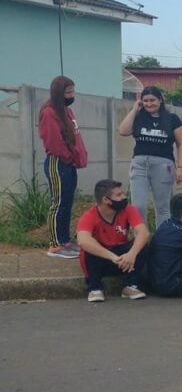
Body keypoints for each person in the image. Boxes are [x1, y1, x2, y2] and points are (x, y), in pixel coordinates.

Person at [117, 86, 182, 227]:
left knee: (162, 207)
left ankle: (162, 240)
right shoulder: (138, 117)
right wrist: (134, 109)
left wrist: (181, 167)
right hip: (140, 164)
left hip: (164, 165)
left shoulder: (172, 118)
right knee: (138, 206)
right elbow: (123, 131)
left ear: (160, 100)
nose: (149, 104)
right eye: (146, 100)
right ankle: (141, 241)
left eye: (152, 100)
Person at [39, 75, 88, 259]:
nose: (71, 95)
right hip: (58, 162)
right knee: (58, 203)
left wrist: (77, 158)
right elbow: (53, 142)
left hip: (69, 164)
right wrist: (68, 157)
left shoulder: (67, 112)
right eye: (68, 92)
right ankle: (54, 245)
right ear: (59, 93)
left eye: (73, 91)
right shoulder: (49, 112)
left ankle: (65, 240)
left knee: (67, 203)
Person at [76, 179, 149, 302]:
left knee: (142, 245)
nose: (124, 197)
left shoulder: (129, 209)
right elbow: (83, 240)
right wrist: (113, 257)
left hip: (124, 260)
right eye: (119, 195)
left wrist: (131, 254)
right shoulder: (89, 216)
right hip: (102, 258)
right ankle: (95, 288)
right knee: (88, 248)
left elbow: (144, 232)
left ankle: (131, 286)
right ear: (106, 200)